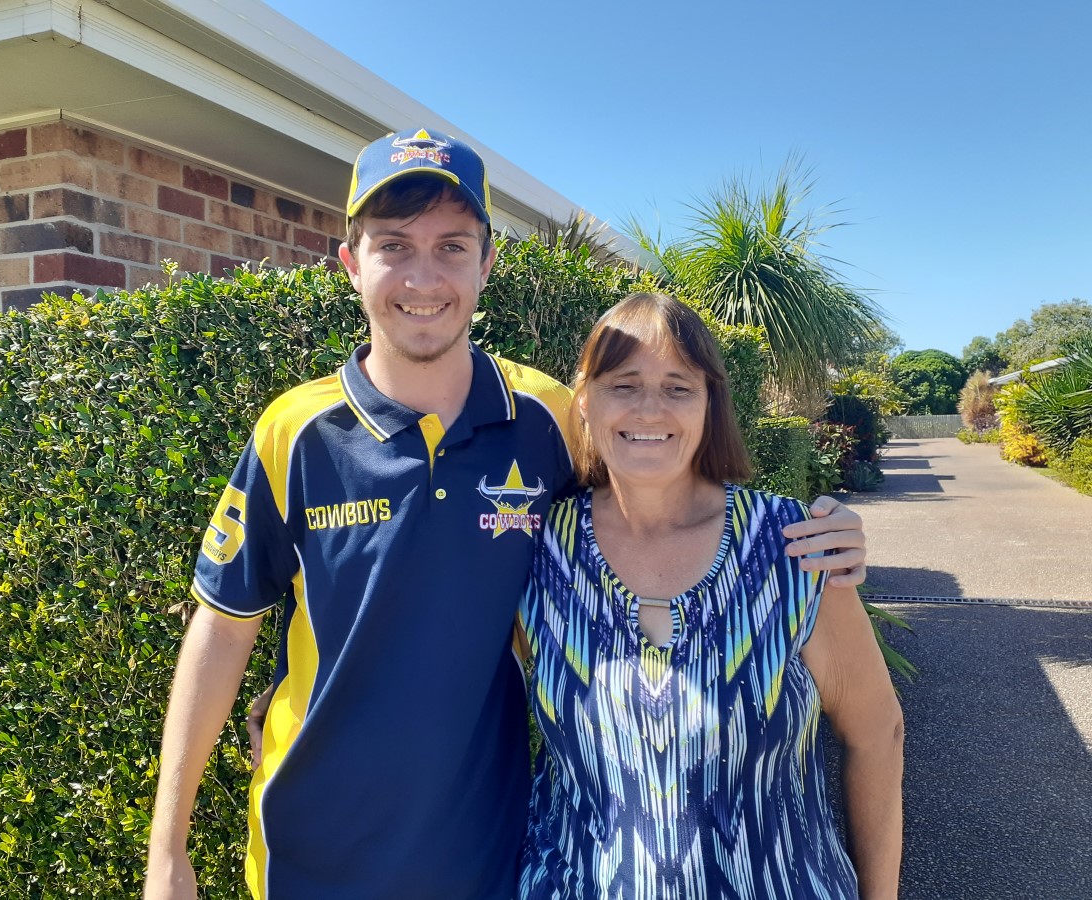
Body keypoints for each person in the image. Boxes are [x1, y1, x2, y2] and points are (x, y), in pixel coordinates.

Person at [144, 128, 870, 900]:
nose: (425, 276)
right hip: (309, 856)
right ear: (351, 263)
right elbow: (223, 627)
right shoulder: (293, 432)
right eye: (394, 245)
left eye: (453, 246)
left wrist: (816, 533)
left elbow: (658, 503)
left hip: (489, 857)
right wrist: (168, 851)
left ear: (488, 262)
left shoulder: (548, 417)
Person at [516, 292, 904, 900]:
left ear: (709, 407)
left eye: (678, 387)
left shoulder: (790, 547)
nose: (650, 409)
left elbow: (877, 733)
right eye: (624, 384)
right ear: (584, 403)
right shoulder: (538, 547)